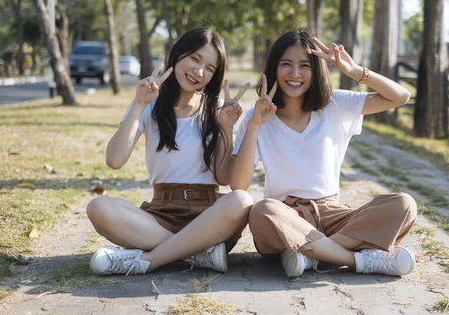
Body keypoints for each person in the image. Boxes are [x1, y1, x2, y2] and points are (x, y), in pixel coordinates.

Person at [230, 29, 417, 278]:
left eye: (304, 66)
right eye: (286, 64)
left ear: (316, 70)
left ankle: (308, 256)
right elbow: (238, 185)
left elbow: (400, 97)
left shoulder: (335, 105)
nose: (295, 74)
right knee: (262, 210)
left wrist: (355, 71)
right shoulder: (257, 116)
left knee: (404, 204)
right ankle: (356, 261)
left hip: (334, 215)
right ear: (274, 68)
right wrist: (255, 125)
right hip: (285, 216)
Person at [87, 28, 254, 276]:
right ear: (178, 54)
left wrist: (226, 128)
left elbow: (223, 179)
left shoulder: (217, 109)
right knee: (98, 208)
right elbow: (114, 160)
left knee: (242, 201)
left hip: (208, 217)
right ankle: (196, 253)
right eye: (195, 59)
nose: (199, 72)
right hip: (160, 214)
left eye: (209, 68)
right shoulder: (149, 104)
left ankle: (150, 259)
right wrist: (138, 104)